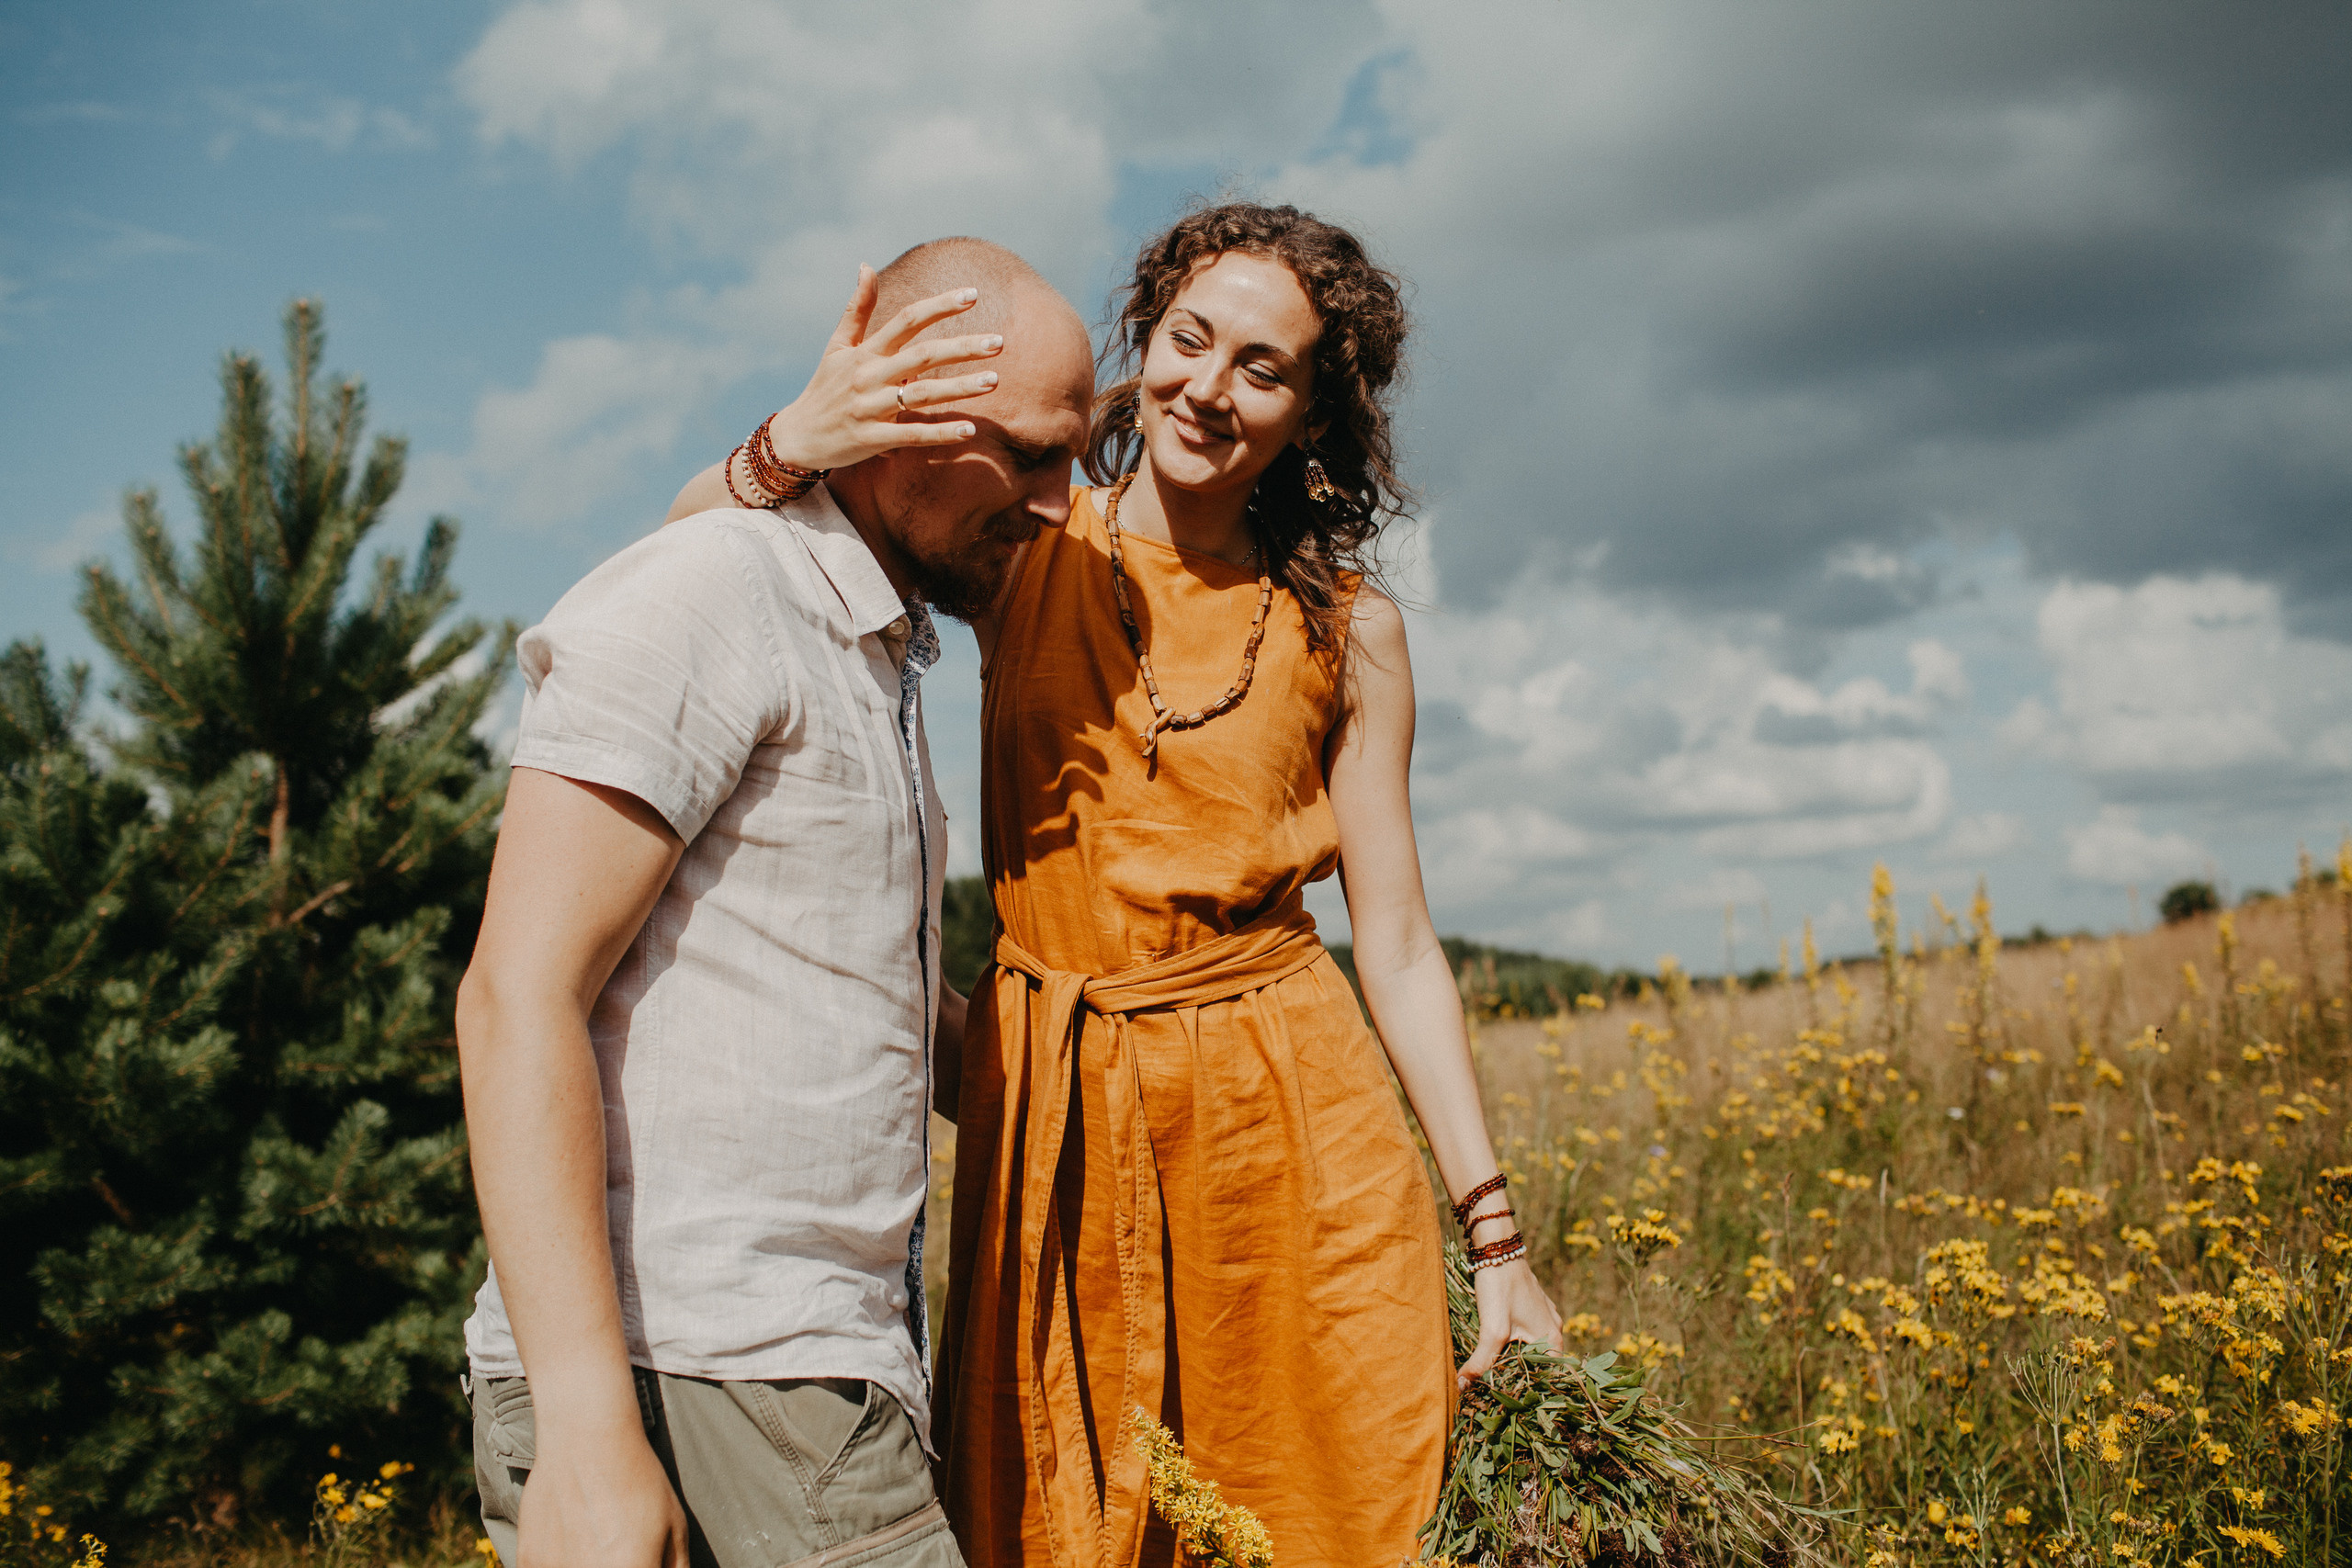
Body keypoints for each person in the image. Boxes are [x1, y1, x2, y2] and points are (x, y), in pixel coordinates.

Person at [673, 204, 1563, 1568]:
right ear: (1145, 341)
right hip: (1062, 1132)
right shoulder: (1031, 543)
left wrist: (1497, 1244)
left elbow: (1393, 945)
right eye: (1190, 339)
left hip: (1294, 1127)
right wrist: (798, 436)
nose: (1209, 386)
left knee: (1342, 1506)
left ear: (1312, 412)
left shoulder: (1351, 627)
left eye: (1262, 367)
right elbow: (692, 557)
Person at [458, 237, 1092, 1568]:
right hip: (692, 1368)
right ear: (905, 426)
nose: (1059, 502)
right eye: (1032, 456)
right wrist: (584, 1430)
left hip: (801, 1372)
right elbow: (517, 995)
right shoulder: (715, 591)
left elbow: (871, 1012)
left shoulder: (869, 649)